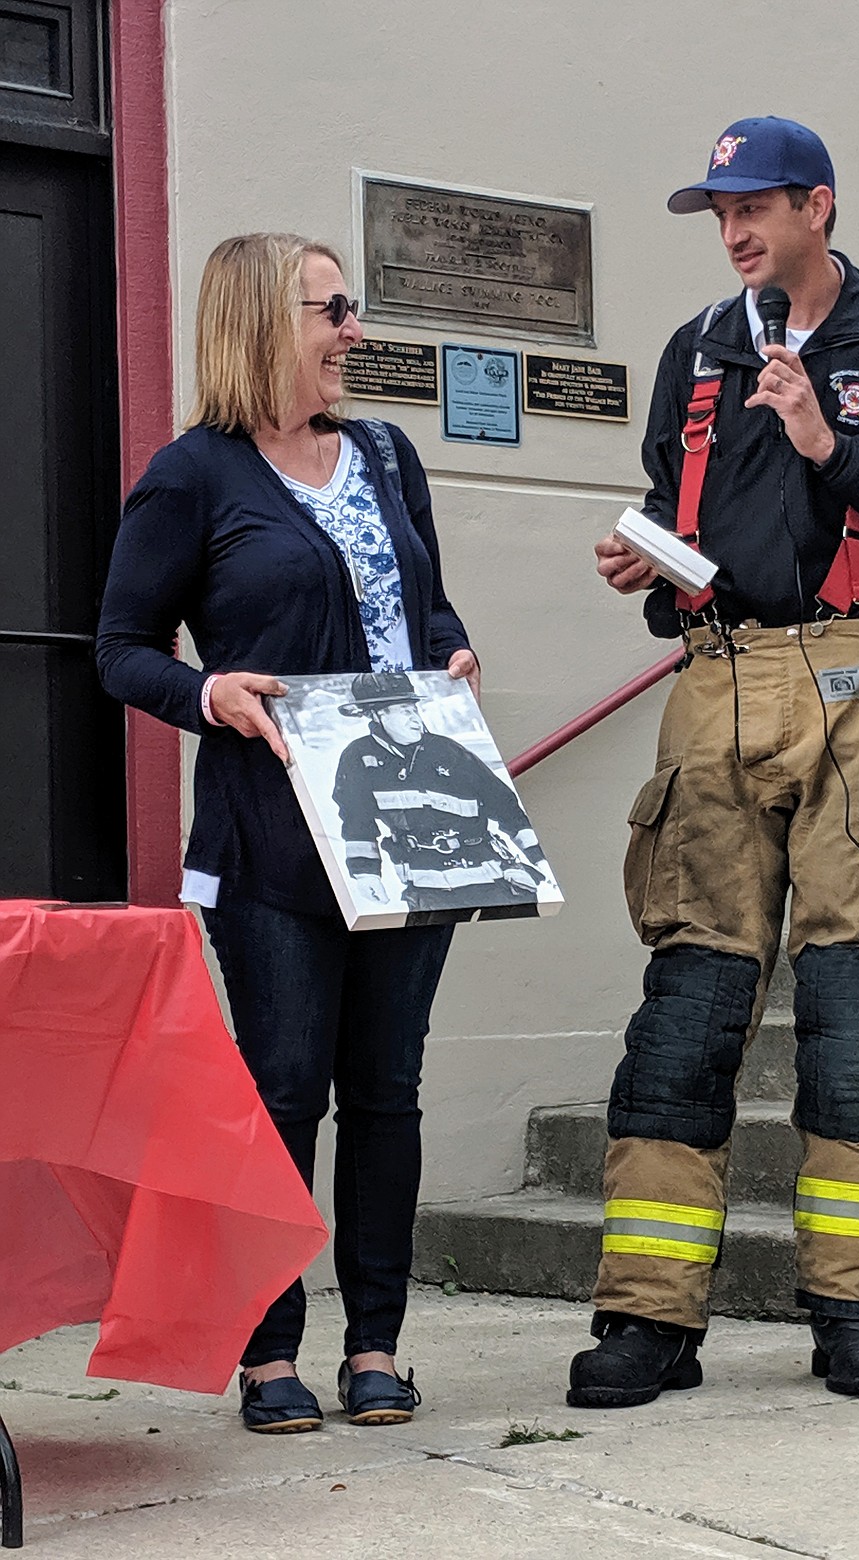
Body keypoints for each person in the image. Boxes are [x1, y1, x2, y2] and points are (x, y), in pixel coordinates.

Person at [567, 117, 859, 1409]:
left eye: (754, 205)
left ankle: (858, 1313)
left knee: (856, 1015)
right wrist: (645, 560)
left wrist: (835, 450)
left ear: (818, 204)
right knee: (687, 1011)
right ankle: (647, 1320)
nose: (734, 231)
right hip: (713, 686)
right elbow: (676, 514)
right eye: (718, 212)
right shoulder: (695, 353)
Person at [96, 232, 479, 1433]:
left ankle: (377, 1344)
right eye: (333, 309)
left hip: (408, 825)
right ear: (268, 322)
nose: (353, 331)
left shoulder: (384, 454)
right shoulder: (192, 475)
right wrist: (212, 693)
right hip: (273, 839)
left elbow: (423, 602)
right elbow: (120, 649)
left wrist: (453, 651)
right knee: (279, 1091)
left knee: (386, 1089)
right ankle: (269, 1355)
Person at [332, 669, 552, 918]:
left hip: (494, 879)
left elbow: (506, 808)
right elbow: (356, 820)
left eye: (414, 709)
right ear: (377, 715)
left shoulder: (449, 751)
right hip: (429, 892)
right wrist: (366, 874)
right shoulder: (358, 758)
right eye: (404, 711)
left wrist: (538, 857)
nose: (415, 718)